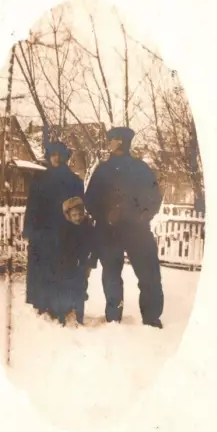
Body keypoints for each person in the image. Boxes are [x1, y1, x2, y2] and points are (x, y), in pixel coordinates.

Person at [84, 127, 164, 328]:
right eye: (110, 140)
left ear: (120, 143)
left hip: (137, 231)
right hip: (108, 231)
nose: (110, 144)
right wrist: (104, 215)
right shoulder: (102, 170)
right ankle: (113, 318)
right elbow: (90, 200)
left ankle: (151, 318)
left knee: (149, 274)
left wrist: (141, 216)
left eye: (113, 140)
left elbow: (154, 198)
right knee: (111, 274)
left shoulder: (141, 169)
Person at [23, 141, 84, 317]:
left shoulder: (74, 180)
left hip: (64, 231)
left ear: (66, 157)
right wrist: (29, 229)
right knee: (42, 267)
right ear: (49, 157)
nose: (56, 158)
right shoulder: (39, 179)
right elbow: (32, 205)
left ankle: (61, 307)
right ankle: (42, 304)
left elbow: (79, 207)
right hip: (42, 231)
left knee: (62, 267)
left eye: (60, 155)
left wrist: (77, 228)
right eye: (53, 154)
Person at [54, 196, 98, 327]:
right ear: (68, 215)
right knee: (65, 290)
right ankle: (63, 316)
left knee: (80, 290)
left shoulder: (88, 228)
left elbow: (94, 247)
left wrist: (90, 264)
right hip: (67, 265)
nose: (78, 217)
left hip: (82, 265)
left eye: (80, 214)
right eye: (74, 215)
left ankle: (79, 317)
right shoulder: (64, 229)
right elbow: (60, 249)